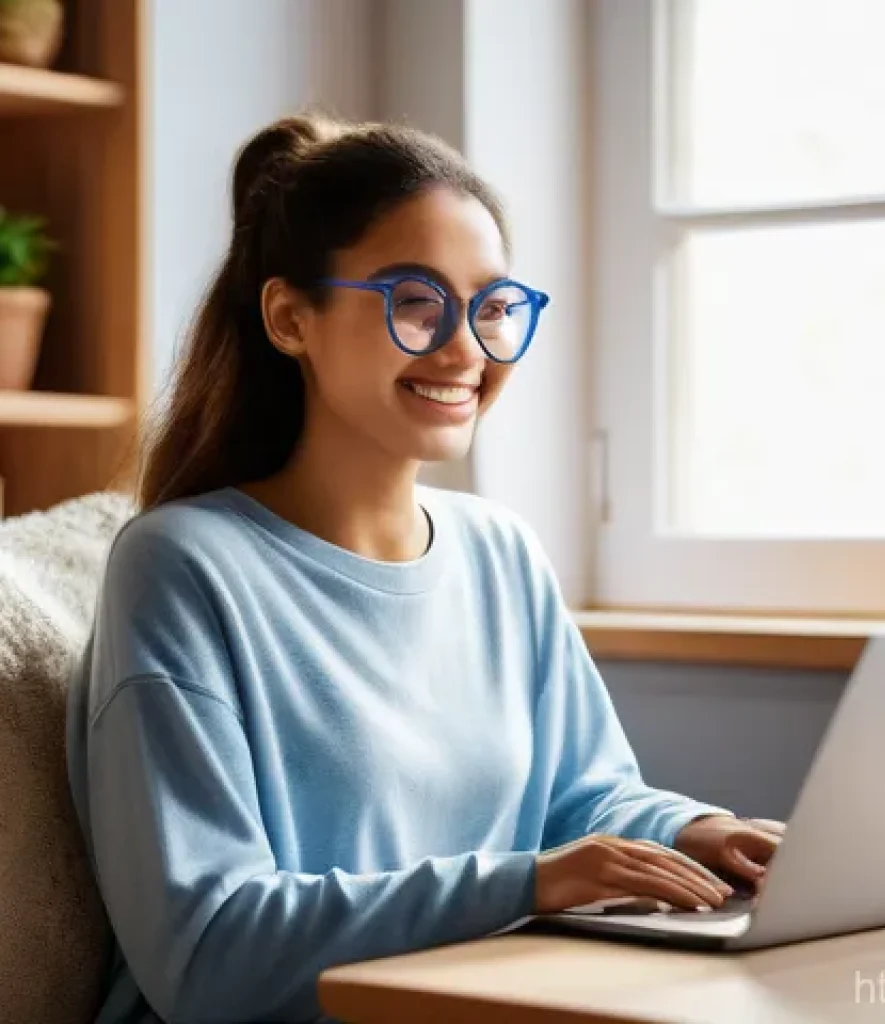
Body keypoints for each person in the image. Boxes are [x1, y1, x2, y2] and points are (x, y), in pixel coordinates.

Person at [66, 114, 784, 1024]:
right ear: (290, 318)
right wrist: (529, 884)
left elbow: (582, 797)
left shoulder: (501, 552)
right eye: (416, 302)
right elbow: (207, 952)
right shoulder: (181, 567)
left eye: (491, 307)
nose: (466, 350)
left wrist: (697, 833)